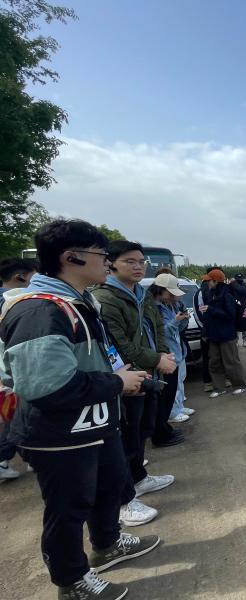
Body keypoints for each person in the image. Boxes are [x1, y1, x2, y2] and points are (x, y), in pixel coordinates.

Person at [0, 219, 159, 600]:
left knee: (109, 486)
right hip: (59, 435)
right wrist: (117, 383)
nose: (108, 262)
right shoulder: (41, 311)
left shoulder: (78, 302)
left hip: (94, 424)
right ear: (71, 257)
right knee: (68, 509)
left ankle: (107, 543)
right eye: (102, 255)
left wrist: (118, 376)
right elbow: (46, 386)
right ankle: (71, 580)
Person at [92, 241, 179, 528]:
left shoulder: (141, 294)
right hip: (127, 376)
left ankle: (139, 479)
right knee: (126, 437)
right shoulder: (105, 298)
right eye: (130, 261)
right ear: (111, 263)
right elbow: (120, 344)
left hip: (149, 372)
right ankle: (124, 498)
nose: (138, 266)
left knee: (142, 429)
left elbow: (157, 328)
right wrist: (157, 359)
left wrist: (163, 355)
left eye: (141, 261)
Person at [0, 257, 38, 481]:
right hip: (12, 373)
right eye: (36, 276)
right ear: (21, 277)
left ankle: (30, 456)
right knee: (17, 418)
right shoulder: (16, 302)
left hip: (8, 372)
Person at [199, 269, 246, 397]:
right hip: (214, 335)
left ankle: (242, 385)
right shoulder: (212, 293)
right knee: (214, 362)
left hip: (227, 335)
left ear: (215, 281)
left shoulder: (227, 294)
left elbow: (230, 315)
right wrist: (206, 331)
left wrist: (211, 309)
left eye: (209, 280)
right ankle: (219, 388)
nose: (207, 282)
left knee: (231, 362)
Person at [149, 274, 192, 423]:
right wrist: (175, 321)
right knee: (169, 386)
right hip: (166, 352)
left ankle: (178, 407)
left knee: (179, 382)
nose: (173, 296)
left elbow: (176, 330)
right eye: (171, 293)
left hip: (176, 348)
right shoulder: (153, 307)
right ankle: (172, 413)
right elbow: (161, 332)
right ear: (160, 290)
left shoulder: (169, 305)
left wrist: (183, 320)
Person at [193, 268, 215, 392]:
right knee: (207, 358)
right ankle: (208, 383)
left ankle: (220, 379)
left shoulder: (216, 291)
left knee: (218, 357)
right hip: (206, 332)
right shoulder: (199, 293)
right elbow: (198, 314)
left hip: (216, 331)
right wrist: (206, 330)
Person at [229, 274, 246, 347]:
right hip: (235, 307)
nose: (239, 280)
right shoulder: (232, 285)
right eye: (237, 279)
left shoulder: (244, 285)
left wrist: (234, 284)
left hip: (244, 307)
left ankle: (245, 340)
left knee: (245, 323)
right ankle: (236, 340)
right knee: (236, 324)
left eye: (240, 279)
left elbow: (244, 291)